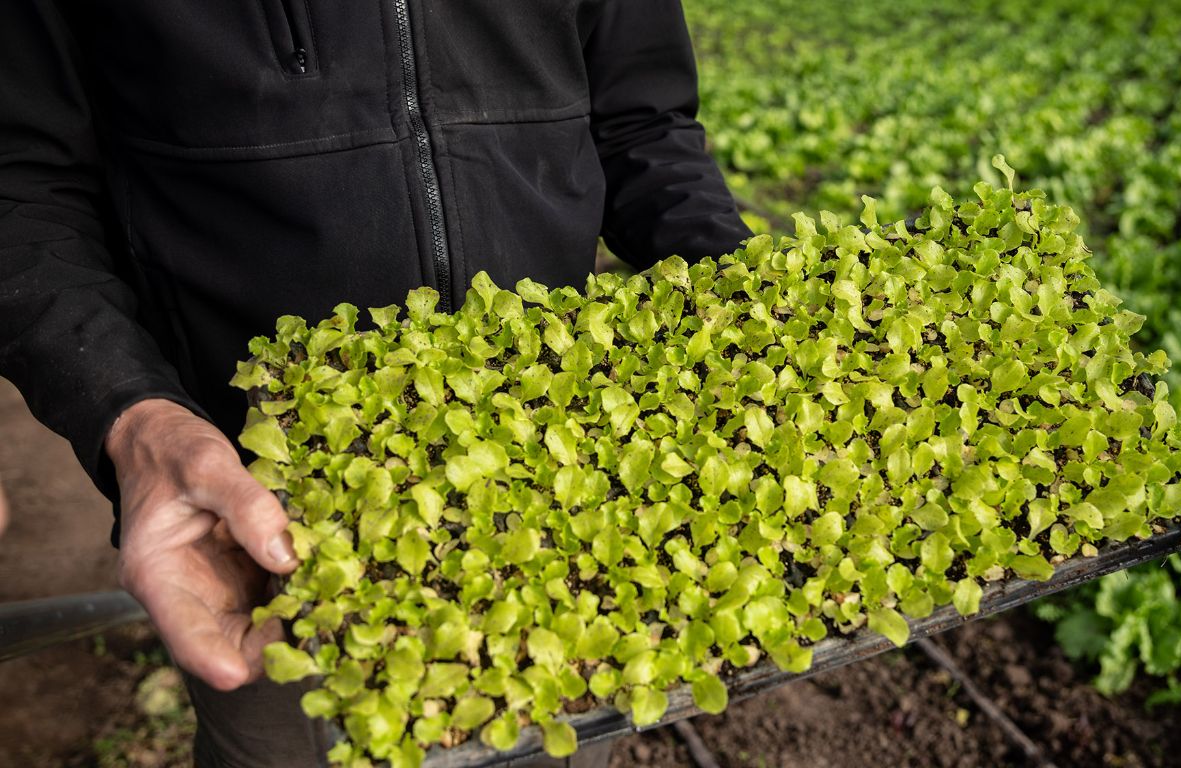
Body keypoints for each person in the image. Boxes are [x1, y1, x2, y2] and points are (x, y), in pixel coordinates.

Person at [0, 1, 750, 765]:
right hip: (264, 515)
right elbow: (21, 183)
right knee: (291, 735)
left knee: (556, 736)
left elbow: (642, 123)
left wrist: (755, 308)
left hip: (559, 473)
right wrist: (131, 414)